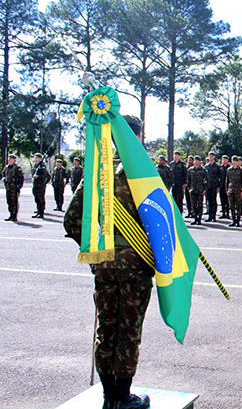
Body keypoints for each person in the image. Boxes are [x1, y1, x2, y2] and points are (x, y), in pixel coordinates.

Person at [63, 115, 153, 409]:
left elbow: (72, 220)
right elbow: (161, 223)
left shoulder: (96, 172)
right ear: (136, 137)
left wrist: (94, 251)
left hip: (104, 262)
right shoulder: (142, 172)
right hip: (134, 265)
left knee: (107, 329)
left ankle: (108, 397)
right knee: (128, 332)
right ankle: (123, 398)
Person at [187, 155, 208, 225]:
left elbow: (207, 180)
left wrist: (204, 189)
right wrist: (189, 188)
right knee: (193, 205)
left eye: (197, 161)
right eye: (195, 160)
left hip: (200, 189)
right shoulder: (190, 170)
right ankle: (195, 218)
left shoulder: (203, 170)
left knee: (200, 204)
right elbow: (188, 180)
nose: (196, 162)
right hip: (193, 189)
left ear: (199, 162)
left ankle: (199, 219)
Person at [2, 154, 23, 221]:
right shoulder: (6, 167)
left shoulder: (17, 168)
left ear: (14, 160)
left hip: (14, 187)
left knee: (14, 201)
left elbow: (21, 178)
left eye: (10, 159)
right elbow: (3, 175)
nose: (9, 160)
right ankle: (11, 214)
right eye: (9, 158)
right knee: (9, 201)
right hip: (8, 187)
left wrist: (19, 186)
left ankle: (15, 215)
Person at [226, 156, 242, 227]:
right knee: (232, 206)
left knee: (238, 206)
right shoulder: (229, 170)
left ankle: (238, 221)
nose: (234, 162)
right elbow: (227, 181)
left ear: (237, 162)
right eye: (233, 161)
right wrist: (227, 189)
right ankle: (233, 220)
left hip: (238, 190)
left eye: (235, 161)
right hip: (231, 190)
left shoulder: (240, 170)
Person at [32, 153, 50, 218]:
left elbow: (46, 175)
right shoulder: (36, 165)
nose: (35, 159)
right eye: (35, 158)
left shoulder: (42, 165)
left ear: (40, 158)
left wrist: (39, 177)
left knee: (40, 198)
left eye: (37, 158)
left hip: (40, 184)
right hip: (35, 184)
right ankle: (38, 211)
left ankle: (41, 212)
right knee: (36, 198)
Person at [204, 152, 221, 222]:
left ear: (214, 157)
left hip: (214, 186)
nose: (210, 157)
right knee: (208, 201)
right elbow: (204, 177)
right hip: (208, 186)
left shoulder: (217, 166)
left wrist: (218, 186)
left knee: (213, 201)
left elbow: (220, 177)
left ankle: (213, 216)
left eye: (212, 156)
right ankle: (209, 216)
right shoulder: (206, 166)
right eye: (209, 156)